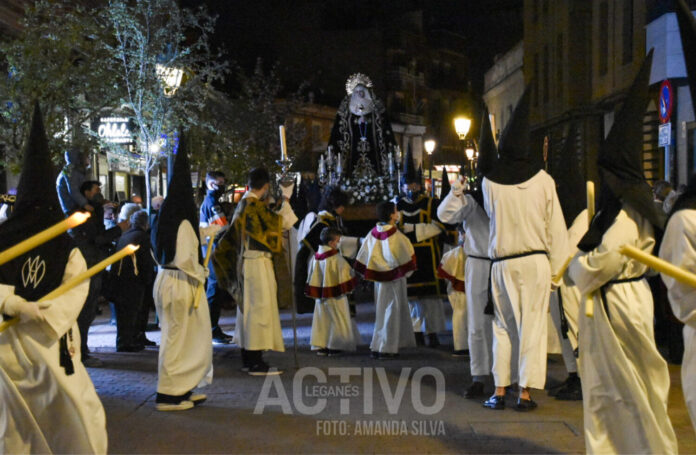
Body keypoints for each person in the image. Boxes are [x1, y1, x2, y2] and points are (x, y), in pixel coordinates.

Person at [568, 50, 678, 453]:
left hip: (617, 300)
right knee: (624, 384)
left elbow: (608, 260)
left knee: (621, 386)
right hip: (623, 298)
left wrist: (580, 267)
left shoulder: (627, 216)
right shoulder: (630, 209)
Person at [0, 103, 107, 453]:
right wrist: (12, 303)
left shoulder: (63, 247)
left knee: (75, 420)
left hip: (47, 347)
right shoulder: (10, 239)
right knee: (16, 430)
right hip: (15, 350)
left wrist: (36, 313)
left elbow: (75, 287)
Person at [481, 87, 568, 411]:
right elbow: (556, 230)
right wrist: (556, 275)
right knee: (531, 327)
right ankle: (525, 393)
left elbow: (491, 216)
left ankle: (499, 391)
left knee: (502, 328)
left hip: (501, 263)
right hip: (535, 262)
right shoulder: (544, 180)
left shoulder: (489, 181)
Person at [213, 168, 297, 375]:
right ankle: (255, 361)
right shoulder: (252, 206)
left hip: (248, 264)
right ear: (266, 186)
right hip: (257, 265)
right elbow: (281, 224)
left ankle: (249, 358)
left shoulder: (246, 205)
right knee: (259, 311)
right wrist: (285, 199)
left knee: (250, 311)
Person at [437, 109, 496, 398]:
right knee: (476, 322)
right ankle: (478, 375)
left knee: (503, 323)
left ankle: (504, 375)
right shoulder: (471, 202)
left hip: (501, 266)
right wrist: (457, 192)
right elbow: (445, 214)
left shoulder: (504, 198)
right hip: (477, 265)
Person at [151, 137, 212, 411]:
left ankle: (184, 387)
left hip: (165, 279)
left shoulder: (162, 218)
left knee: (178, 336)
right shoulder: (184, 221)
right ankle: (169, 394)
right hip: (180, 281)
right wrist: (202, 272)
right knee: (178, 338)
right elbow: (187, 257)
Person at [73, 180, 128, 367]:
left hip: (94, 264)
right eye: (96, 190)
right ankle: (80, 352)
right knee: (85, 311)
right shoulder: (84, 214)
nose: (100, 193)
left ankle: (82, 350)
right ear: (86, 193)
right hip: (88, 266)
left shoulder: (93, 212)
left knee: (88, 311)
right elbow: (96, 239)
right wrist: (118, 230)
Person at [396, 145, 446, 347]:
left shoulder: (431, 203)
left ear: (420, 184)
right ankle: (416, 331)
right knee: (412, 299)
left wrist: (414, 230)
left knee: (431, 299)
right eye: (408, 184)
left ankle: (432, 332)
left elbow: (439, 227)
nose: (411, 188)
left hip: (428, 256)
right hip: (408, 256)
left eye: (414, 184)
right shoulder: (397, 204)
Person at [354, 201, 417, 359]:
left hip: (379, 280)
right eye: (396, 211)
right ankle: (387, 348)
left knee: (381, 311)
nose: (398, 213)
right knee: (391, 312)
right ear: (391, 215)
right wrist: (404, 270)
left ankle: (378, 345)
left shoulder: (373, 233)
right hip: (394, 279)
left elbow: (363, 254)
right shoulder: (396, 236)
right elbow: (406, 254)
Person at [306, 227, 358, 355]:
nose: (340, 243)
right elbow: (346, 273)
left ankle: (322, 345)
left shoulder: (315, 257)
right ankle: (335, 345)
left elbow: (311, 275)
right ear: (331, 243)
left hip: (321, 297)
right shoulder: (336, 259)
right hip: (336, 296)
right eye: (338, 240)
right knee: (338, 317)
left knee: (322, 318)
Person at [108, 210, 155, 352]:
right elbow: (145, 261)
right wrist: (148, 280)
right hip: (132, 281)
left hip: (119, 279)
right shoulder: (142, 237)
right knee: (131, 312)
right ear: (146, 224)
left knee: (124, 313)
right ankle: (127, 342)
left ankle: (128, 340)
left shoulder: (126, 235)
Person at [199, 171, 233, 345]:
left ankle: (213, 328)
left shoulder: (210, 201)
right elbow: (223, 228)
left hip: (211, 252)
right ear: (211, 184)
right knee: (214, 291)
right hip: (214, 252)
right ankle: (211, 330)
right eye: (220, 183)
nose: (222, 186)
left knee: (215, 291)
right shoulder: (212, 202)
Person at [436, 226, 468, 356]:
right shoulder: (453, 254)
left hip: (458, 291)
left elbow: (445, 275)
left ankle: (462, 346)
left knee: (461, 315)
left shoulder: (451, 255)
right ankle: (463, 346)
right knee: (462, 315)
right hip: (462, 292)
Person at [56, 148, 92, 215]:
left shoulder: (75, 170)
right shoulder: (69, 171)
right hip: (72, 208)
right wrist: (85, 204)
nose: (88, 159)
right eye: (86, 157)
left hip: (75, 207)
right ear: (79, 158)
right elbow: (73, 190)